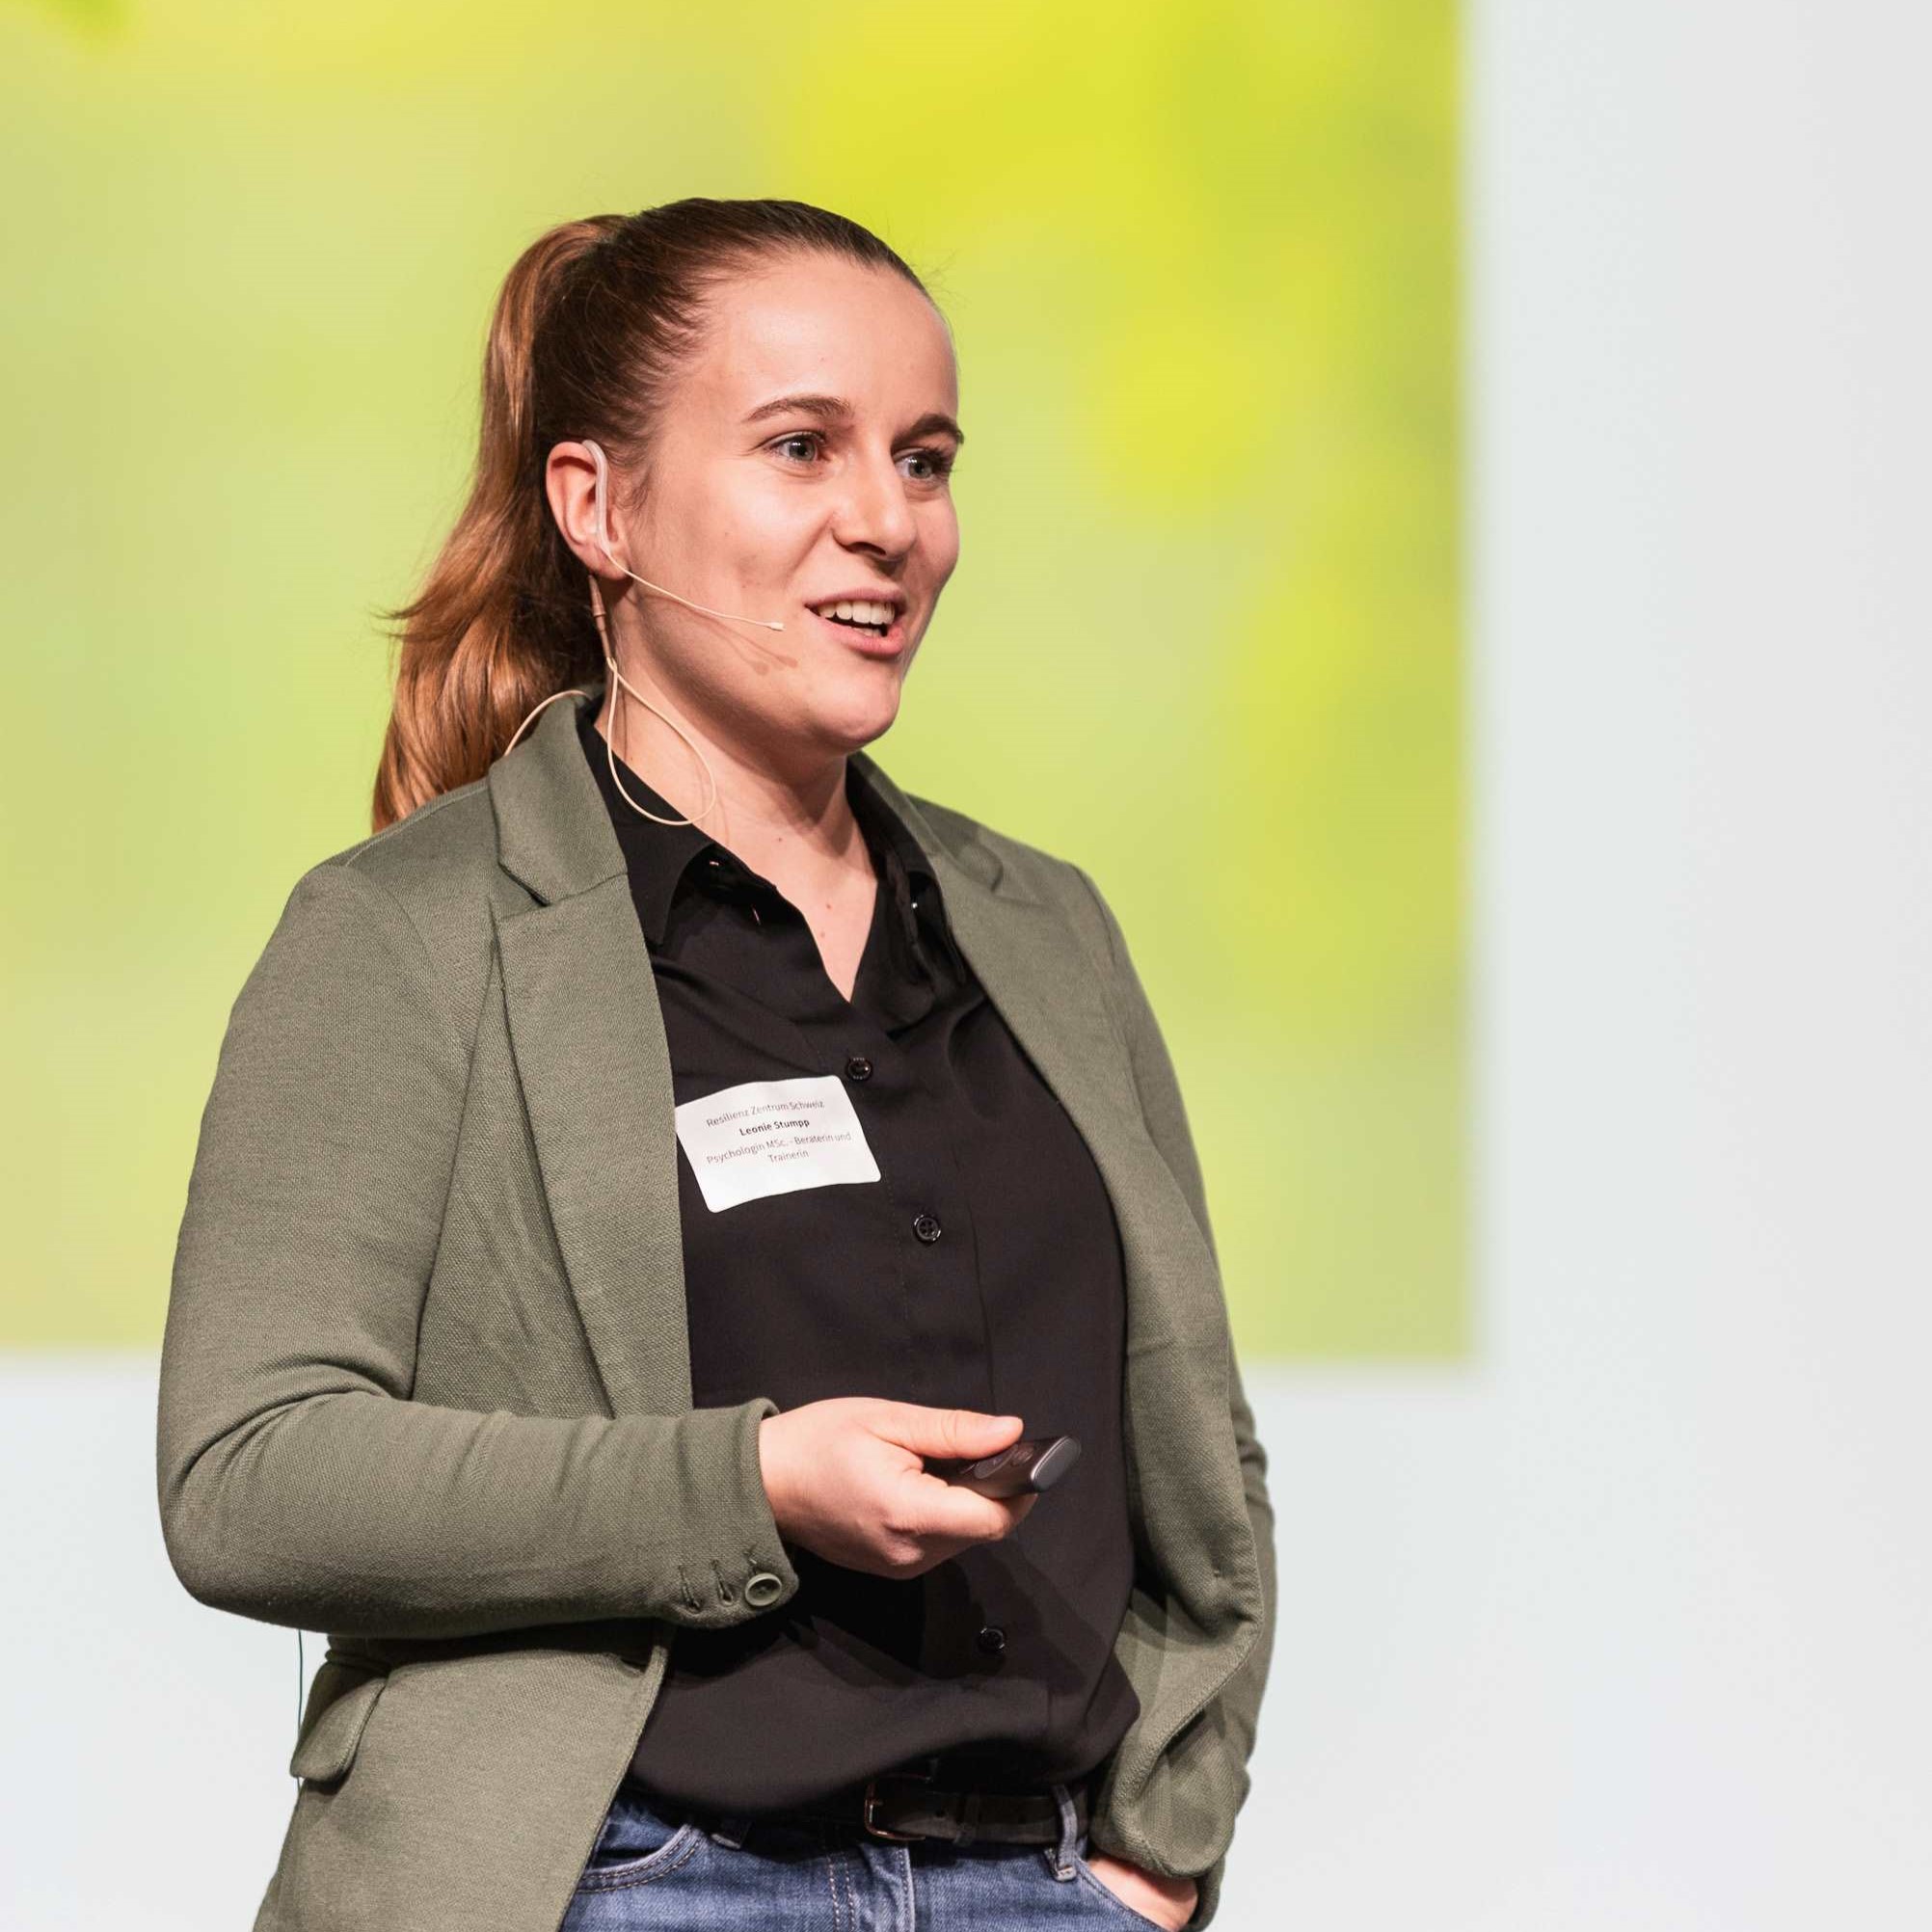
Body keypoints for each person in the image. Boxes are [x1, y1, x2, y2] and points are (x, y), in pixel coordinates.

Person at [158, 197, 1275, 1932]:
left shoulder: (1044, 926)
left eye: (923, 458)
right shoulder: (409, 933)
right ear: (596, 507)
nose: (886, 521)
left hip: (1047, 1885)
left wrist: (1165, 1842)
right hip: (626, 1880)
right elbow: (250, 1477)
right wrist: (748, 1486)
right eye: (801, 446)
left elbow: (1194, 1443)